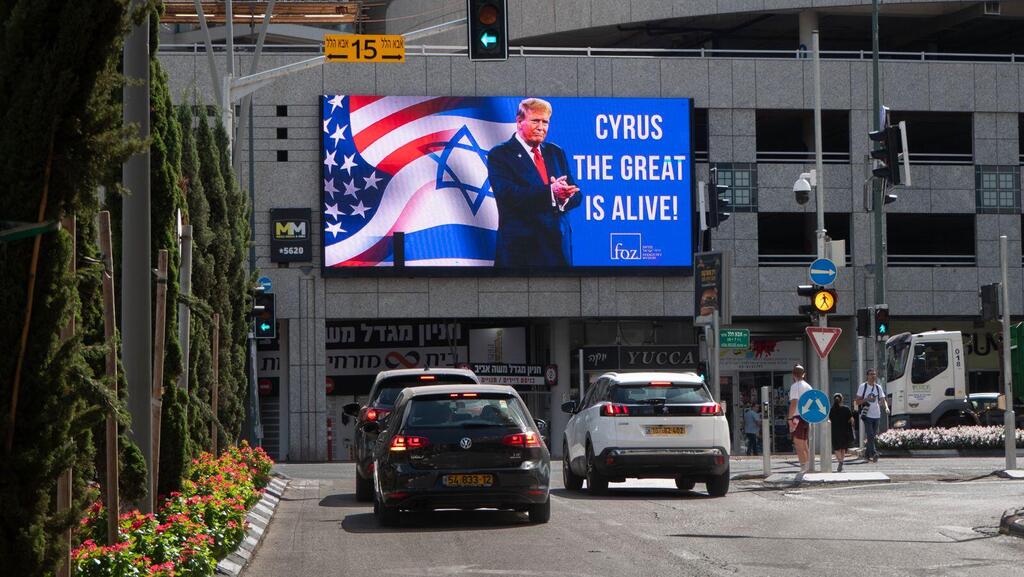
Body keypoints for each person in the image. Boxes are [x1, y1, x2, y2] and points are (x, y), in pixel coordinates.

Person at [486, 98, 582, 267]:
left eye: (545, 122)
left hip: (558, 249)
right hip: (521, 252)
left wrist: (565, 197)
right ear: (519, 121)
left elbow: (577, 194)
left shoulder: (555, 152)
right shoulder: (500, 154)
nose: (541, 127)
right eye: (535, 121)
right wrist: (551, 192)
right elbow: (508, 194)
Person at [855, 368, 888, 463]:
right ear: (867, 376)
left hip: (877, 414)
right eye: (871, 374)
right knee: (870, 434)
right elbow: (857, 401)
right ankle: (874, 453)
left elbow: (882, 399)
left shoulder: (878, 387)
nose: (873, 376)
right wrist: (866, 399)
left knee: (872, 435)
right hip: (867, 414)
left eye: (874, 374)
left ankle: (866, 455)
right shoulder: (863, 387)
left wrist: (886, 407)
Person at [787, 364, 813, 473]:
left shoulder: (795, 386)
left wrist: (789, 419)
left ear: (793, 375)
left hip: (797, 416)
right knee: (804, 443)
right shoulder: (808, 386)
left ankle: (803, 466)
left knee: (798, 442)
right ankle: (807, 465)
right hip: (807, 417)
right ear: (804, 374)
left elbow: (794, 403)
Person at [829, 393, 854, 472]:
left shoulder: (832, 409)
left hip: (835, 431)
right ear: (842, 399)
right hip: (845, 431)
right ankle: (841, 462)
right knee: (843, 448)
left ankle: (840, 461)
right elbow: (851, 420)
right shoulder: (846, 409)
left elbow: (829, 419)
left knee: (836, 448)